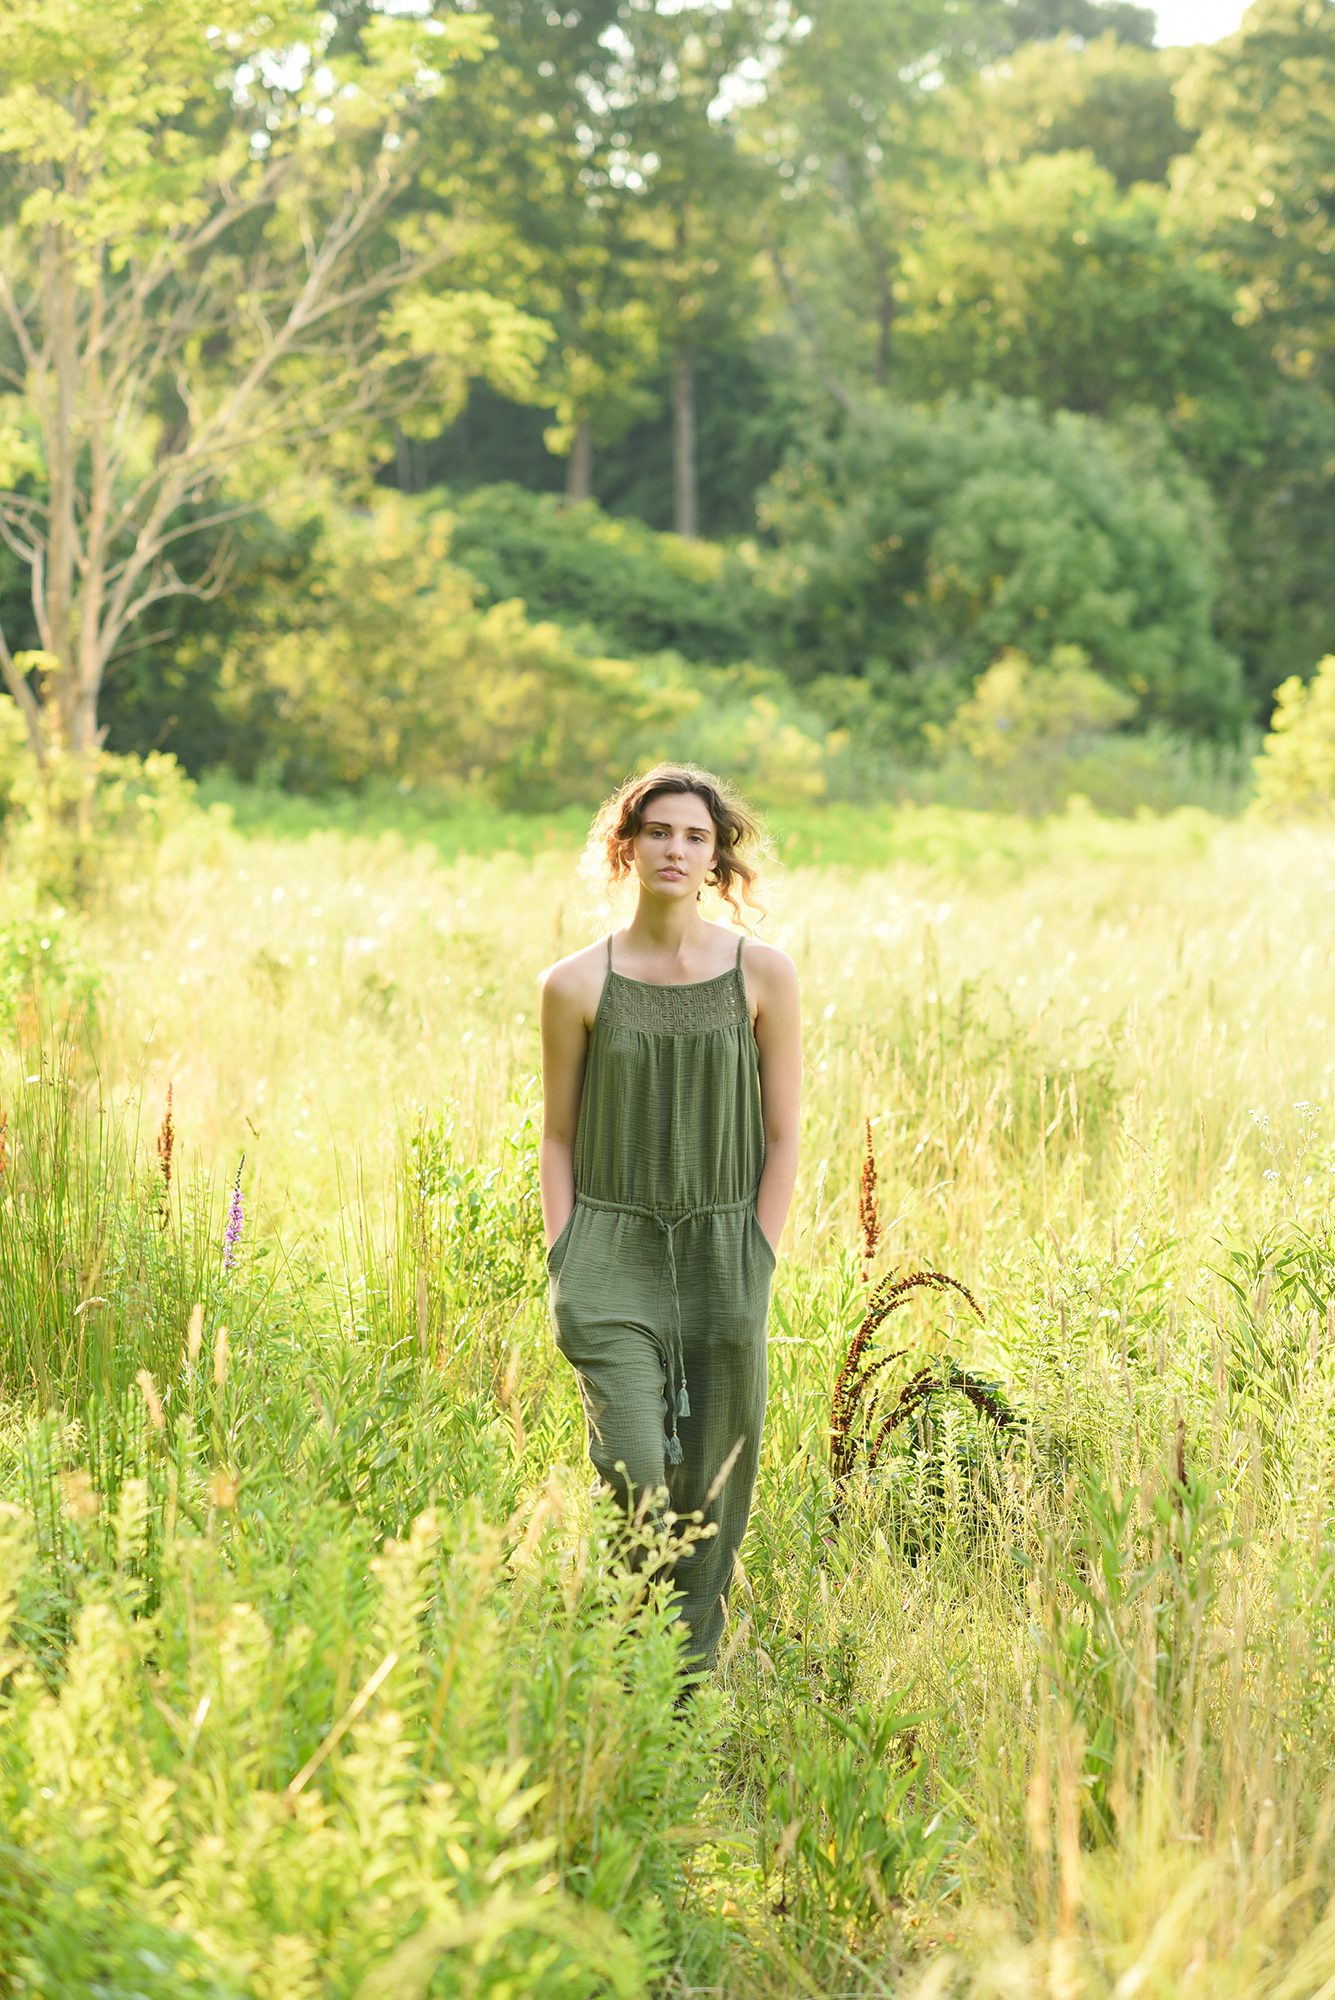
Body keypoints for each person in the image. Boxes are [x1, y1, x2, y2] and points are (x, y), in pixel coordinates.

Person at [538, 763, 802, 1680]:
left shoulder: (762, 974)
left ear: (717, 856)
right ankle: (629, 1662)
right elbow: (557, 1137)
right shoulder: (574, 984)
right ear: (626, 846)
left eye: (695, 836)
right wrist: (566, 1258)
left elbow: (783, 1133)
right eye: (657, 832)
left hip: (726, 1256)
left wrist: (757, 1255)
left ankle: (676, 1692)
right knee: (637, 1479)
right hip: (608, 1255)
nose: (675, 850)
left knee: (709, 1498)